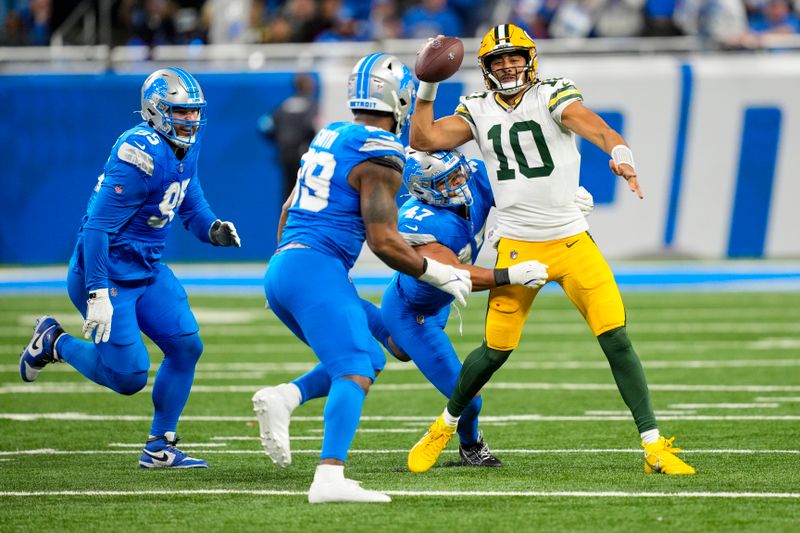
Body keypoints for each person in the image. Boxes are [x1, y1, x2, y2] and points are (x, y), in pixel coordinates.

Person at [405, 24, 696, 475]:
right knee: (495, 351)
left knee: (616, 337)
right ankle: (443, 428)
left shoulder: (553, 92)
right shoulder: (476, 107)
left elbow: (591, 124)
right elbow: (422, 140)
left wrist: (619, 150)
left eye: (514, 56)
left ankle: (654, 445)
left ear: (531, 58)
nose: (507, 65)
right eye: (497, 60)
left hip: (572, 240)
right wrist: (427, 85)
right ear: (485, 69)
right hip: (519, 246)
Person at [254, 148, 579, 471]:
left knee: (395, 350)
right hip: (413, 312)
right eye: (448, 180)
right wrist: (509, 275)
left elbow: (519, 191)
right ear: (427, 191)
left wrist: (561, 204)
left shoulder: (475, 176)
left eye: (458, 172)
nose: (460, 181)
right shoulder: (418, 223)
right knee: (468, 397)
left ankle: (356, 313)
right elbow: (457, 273)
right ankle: (471, 446)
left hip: (433, 301)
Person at [258, 53, 475, 504]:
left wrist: (291, 275)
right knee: (356, 366)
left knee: (380, 353)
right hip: (314, 271)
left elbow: (286, 210)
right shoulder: (382, 153)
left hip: (289, 266)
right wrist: (436, 271)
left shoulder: (332, 133)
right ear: (397, 98)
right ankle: (329, 477)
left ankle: (287, 396)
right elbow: (381, 241)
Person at [19, 67, 241, 469]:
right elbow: (97, 229)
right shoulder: (137, 152)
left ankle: (160, 446)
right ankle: (53, 341)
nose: (190, 120)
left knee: (187, 346)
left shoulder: (186, 145)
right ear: (156, 111)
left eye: (194, 112)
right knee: (129, 378)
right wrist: (97, 292)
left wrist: (211, 228)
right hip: (106, 272)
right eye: (181, 111)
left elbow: (189, 199)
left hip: (149, 268)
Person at [258, 73, 318, 200]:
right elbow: (310, 127)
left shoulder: (285, 104)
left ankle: (285, 218)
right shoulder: (310, 105)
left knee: (287, 191)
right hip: (301, 154)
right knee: (302, 191)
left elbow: (265, 126)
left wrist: (278, 141)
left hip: (284, 153)